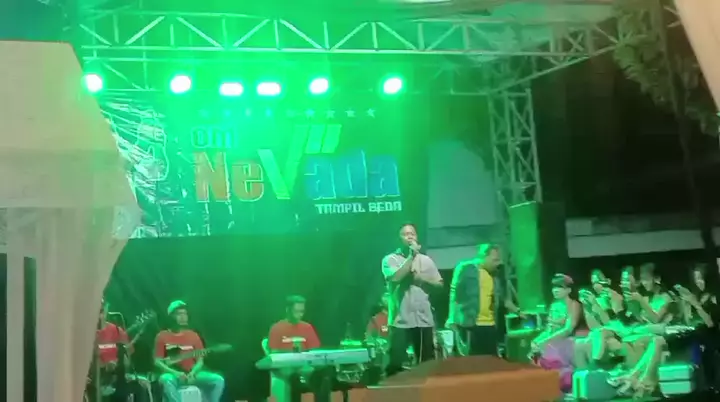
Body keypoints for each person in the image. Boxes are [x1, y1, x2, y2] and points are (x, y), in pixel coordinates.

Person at [382, 223, 443, 376]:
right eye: (405, 234)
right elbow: (395, 278)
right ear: (398, 238)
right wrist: (411, 256)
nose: (410, 237)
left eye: (413, 234)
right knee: (395, 365)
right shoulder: (390, 259)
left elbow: (440, 285)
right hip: (400, 320)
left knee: (427, 364)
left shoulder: (426, 260)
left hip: (423, 320)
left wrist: (422, 279)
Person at [447, 244, 520, 356]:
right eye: (495, 260)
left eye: (499, 260)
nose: (498, 263)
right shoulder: (466, 268)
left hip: (490, 325)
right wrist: (452, 318)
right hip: (472, 324)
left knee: (491, 359)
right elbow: (454, 293)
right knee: (474, 360)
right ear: (483, 257)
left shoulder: (496, 274)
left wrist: (518, 312)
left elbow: (504, 298)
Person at [154, 301, 225, 402]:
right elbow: (157, 361)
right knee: (166, 379)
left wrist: (193, 372)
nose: (183, 317)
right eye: (179, 314)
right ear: (171, 317)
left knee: (218, 380)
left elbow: (200, 360)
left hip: (193, 374)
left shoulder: (193, 335)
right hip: (174, 375)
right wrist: (176, 373)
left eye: (185, 314)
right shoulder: (162, 336)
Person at [91, 300, 152, 402]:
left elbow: (127, 359)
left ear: (106, 309)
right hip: (94, 380)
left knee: (141, 386)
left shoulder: (117, 331)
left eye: (101, 310)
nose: (99, 315)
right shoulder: (84, 333)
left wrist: (120, 364)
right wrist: (103, 365)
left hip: (116, 379)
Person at [529, 274, 581, 392]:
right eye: (554, 287)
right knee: (535, 350)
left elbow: (568, 329)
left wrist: (546, 341)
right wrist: (537, 340)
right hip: (552, 340)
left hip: (566, 341)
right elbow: (549, 329)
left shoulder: (574, 305)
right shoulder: (553, 305)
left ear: (568, 290)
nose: (555, 290)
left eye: (560, 287)